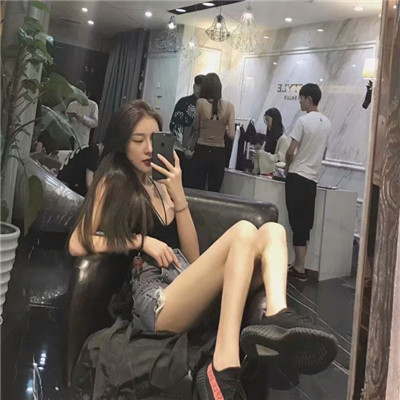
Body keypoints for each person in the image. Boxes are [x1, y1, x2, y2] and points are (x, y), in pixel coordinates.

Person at [68, 100, 337, 399]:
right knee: (244, 231)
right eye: (138, 140)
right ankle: (223, 364)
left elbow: (193, 257)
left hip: (183, 277)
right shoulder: (114, 181)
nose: (148, 149)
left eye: (154, 140)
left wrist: (178, 193)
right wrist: (141, 241)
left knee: (273, 231)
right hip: (154, 295)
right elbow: (77, 242)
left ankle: (277, 318)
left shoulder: (162, 186)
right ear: (123, 143)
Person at [285, 83, 331, 281]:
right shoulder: (327, 123)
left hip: (297, 176)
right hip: (312, 180)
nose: (299, 102)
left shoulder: (303, 121)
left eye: (301, 98)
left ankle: (299, 267)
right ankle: (300, 266)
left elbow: (290, 151)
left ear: (309, 99)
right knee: (305, 224)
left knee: (296, 223)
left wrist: (287, 165)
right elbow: (324, 153)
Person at [190, 73, 236, 192]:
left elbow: (195, 126)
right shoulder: (230, 107)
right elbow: (232, 134)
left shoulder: (200, 103)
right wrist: (223, 129)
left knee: (197, 190)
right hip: (219, 153)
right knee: (214, 191)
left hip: (201, 150)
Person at [169, 74, 205, 186]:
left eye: (202, 87)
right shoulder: (183, 102)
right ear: (194, 86)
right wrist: (185, 148)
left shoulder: (207, 107)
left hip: (198, 151)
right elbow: (175, 126)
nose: (199, 89)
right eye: (197, 85)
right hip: (180, 150)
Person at [253, 108, 290, 175]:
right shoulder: (268, 138)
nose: (267, 124)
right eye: (266, 120)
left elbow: (281, 159)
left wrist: (262, 154)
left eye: (268, 120)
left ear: (275, 121)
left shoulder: (283, 139)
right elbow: (262, 153)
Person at [67, 81, 99, 149]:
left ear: (85, 92)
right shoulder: (72, 104)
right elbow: (65, 120)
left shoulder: (92, 105)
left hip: (83, 139)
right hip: (70, 136)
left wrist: (82, 117)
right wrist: (70, 118)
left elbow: (95, 123)